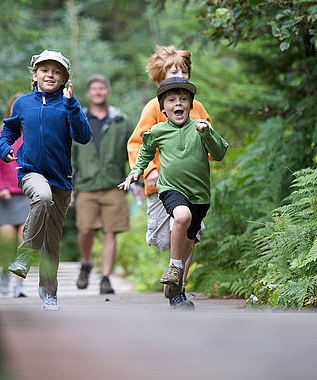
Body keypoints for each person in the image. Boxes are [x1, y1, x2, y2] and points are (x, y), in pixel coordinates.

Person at [119, 77, 228, 310]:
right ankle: (175, 268)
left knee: (189, 240)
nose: (177, 103)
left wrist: (207, 134)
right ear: (163, 107)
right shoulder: (157, 131)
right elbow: (145, 153)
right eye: (171, 100)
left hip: (200, 195)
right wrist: (136, 172)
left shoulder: (201, 128)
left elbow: (219, 154)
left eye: (183, 99)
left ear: (190, 104)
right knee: (181, 216)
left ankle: (176, 289)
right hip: (170, 189)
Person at [0, 50, 92, 311]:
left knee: (52, 242)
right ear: (35, 74)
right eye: (44, 70)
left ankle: (48, 293)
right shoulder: (23, 104)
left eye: (56, 71)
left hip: (61, 179)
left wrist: (73, 105)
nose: (50, 75)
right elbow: (8, 130)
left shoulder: (68, 105)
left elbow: (84, 136)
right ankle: (26, 253)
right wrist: (4, 148)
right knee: (42, 196)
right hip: (30, 171)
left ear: (64, 79)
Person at [127, 45, 213, 302]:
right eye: (173, 70)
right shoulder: (154, 108)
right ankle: (175, 274)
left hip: (194, 185)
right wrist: (149, 170)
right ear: (160, 76)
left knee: (191, 236)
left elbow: (210, 138)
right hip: (163, 184)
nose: (180, 75)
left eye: (184, 71)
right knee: (169, 236)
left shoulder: (196, 106)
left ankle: (179, 287)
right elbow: (136, 143)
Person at [72, 74, 132, 294]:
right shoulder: (77, 120)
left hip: (114, 184)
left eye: (102, 88)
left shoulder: (121, 121)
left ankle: (105, 277)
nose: (98, 92)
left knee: (111, 231)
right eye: (94, 89)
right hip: (86, 185)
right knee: (85, 229)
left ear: (108, 91)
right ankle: (87, 262)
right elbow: (70, 155)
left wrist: (140, 180)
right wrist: (68, 185)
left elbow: (133, 152)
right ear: (88, 93)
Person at [0, 92, 30, 298]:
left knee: (25, 238)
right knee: (6, 241)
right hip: (6, 196)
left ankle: (19, 283)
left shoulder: (32, 132)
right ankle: (4, 274)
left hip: (27, 193)